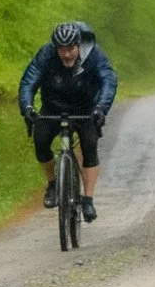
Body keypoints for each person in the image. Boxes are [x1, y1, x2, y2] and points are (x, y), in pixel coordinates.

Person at [17, 21, 118, 223]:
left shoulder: (94, 55)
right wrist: (27, 107)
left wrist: (100, 109)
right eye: (61, 50)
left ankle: (88, 200)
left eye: (70, 49)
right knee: (41, 142)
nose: (66, 55)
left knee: (90, 147)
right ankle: (53, 184)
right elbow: (29, 80)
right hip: (53, 108)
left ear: (78, 45)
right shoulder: (46, 54)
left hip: (85, 109)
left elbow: (108, 80)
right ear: (55, 48)